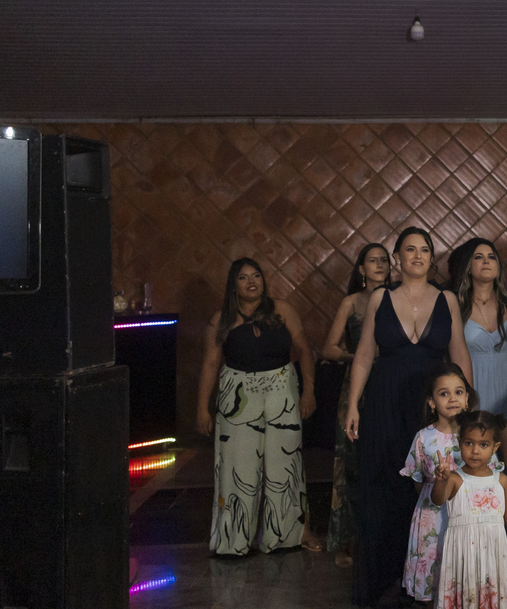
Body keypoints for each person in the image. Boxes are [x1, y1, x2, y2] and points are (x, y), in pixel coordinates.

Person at [344, 227, 473, 608]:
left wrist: (466, 404)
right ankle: (380, 577)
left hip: (432, 401)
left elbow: (460, 352)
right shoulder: (380, 297)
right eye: (409, 250)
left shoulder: (447, 298)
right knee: (383, 484)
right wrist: (354, 404)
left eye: (425, 250)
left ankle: (427, 578)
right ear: (397, 258)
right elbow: (365, 353)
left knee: (432, 483)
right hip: (385, 400)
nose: (417, 256)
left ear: (432, 259)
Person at [196, 257, 317, 555]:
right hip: (237, 394)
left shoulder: (283, 310)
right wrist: (202, 408)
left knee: (285, 464)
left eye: (257, 276)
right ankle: (233, 540)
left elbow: (304, 350)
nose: (252, 282)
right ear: (233, 285)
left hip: (282, 389)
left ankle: (288, 535)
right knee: (238, 467)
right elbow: (210, 364)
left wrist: (309, 391)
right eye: (243, 277)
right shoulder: (220, 319)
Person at [322, 243, 391, 568]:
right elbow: (329, 349)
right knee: (350, 464)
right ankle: (346, 542)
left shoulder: (398, 298)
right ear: (361, 270)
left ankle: (384, 539)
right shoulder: (351, 302)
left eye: (384, 260)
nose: (379, 265)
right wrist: (361, 357)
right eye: (372, 261)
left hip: (389, 385)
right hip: (356, 387)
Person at [400, 364, 483, 604]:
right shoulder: (423, 437)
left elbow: (490, 474)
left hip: (468, 516)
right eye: (444, 393)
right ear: (432, 402)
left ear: (467, 398)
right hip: (433, 519)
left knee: (464, 587)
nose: (452, 398)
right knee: (435, 581)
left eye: (458, 392)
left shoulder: (476, 436)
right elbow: (418, 482)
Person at [431, 411, 507, 609]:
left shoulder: (501, 481)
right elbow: (437, 500)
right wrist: (441, 481)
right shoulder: (454, 479)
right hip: (462, 559)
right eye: (469, 443)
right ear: (460, 443)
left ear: (495, 447)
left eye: (483, 445)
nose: (475, 451)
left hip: (493, 560)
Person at [456, 238, 507, 480]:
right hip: (474, 385)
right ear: (468, 266)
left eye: (491, 257)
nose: (486, 261)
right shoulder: (458, 305)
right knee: (477, 463)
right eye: (479, 257)